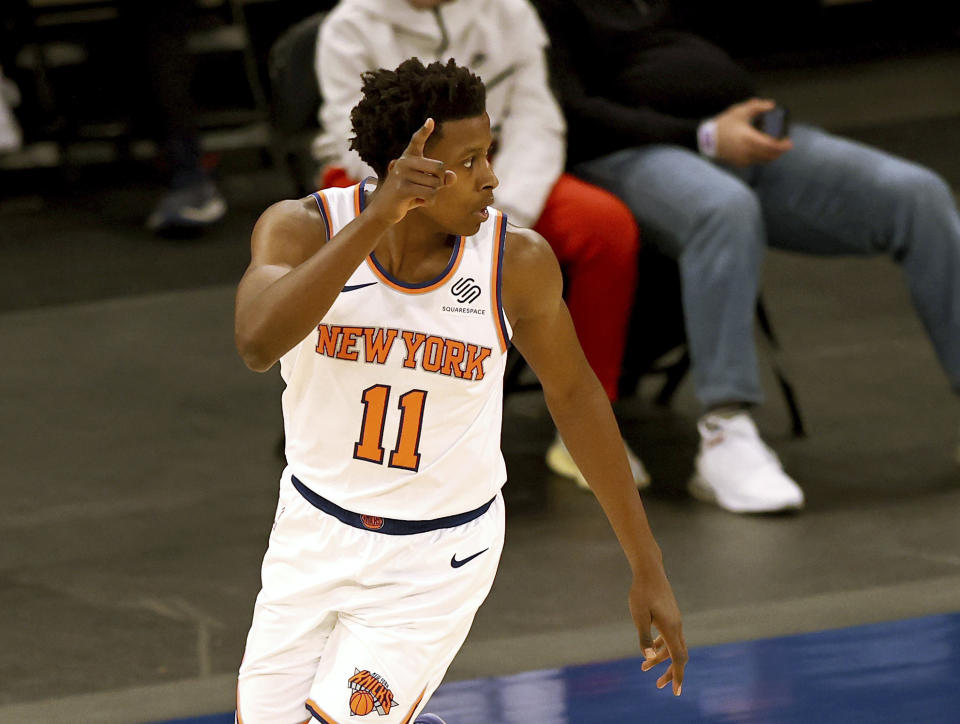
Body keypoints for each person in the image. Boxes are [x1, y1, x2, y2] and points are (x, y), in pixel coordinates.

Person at [233, 58, 686, 722]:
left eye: (489, 154)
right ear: (408, 167)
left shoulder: (515, 263)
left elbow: (577, 397)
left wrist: (648, 566)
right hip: (310, 531)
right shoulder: (302, 229)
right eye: (470, 159)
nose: (491, 178)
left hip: (434, 554)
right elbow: (256, 342)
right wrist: (374, 220)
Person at [532, 0, 960, 514]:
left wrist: (737, 120)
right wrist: (704, 137)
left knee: (918, 195)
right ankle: (724, 435)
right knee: (723, 208)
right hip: (629, 151)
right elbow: (570, 114)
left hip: (747, 135)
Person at [312, 0, 649, 491]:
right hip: (390, 180)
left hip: (499, 177)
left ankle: (586, 429)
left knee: (606, 228)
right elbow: (353, 141)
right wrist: (426, 197)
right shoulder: (348, 26)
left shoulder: (511, 10)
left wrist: (499, 211)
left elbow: (538, 120)